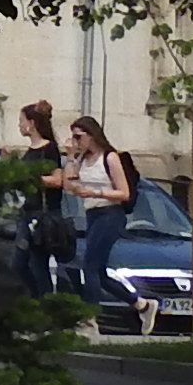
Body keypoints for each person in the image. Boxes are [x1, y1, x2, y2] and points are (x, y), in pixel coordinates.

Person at [59, 113, 138, 310]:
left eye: (79, 137)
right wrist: (70, 156)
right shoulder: (82, 160)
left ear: (91, 136)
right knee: (99, 272)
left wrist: (95, 192)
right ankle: (140, 304)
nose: (76, 142)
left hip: (109, 213)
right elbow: (69, 185)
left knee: (90, 266)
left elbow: (124, 192)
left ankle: (90, 317)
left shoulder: (109, 158)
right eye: (73, 137)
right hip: (92, 214)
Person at [16, 100, 76, 299]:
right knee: (19, 264)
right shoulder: (31, 150)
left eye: (21, 120)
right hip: (28, 211)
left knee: (37, 264)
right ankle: (38, 300)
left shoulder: (48, 149)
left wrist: (31, 178)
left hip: (43, 213)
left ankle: (45, 303)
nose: (19, 125)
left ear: (32, 123)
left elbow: (57, 179)